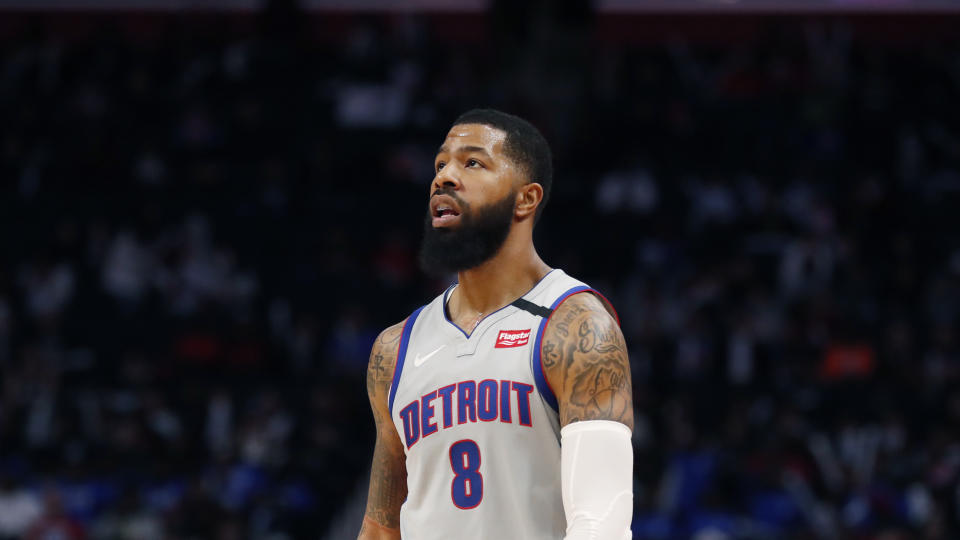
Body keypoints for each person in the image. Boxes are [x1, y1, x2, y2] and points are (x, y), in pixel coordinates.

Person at [359, 109, 634, 540]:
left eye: (472, 163)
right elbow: (380, 528)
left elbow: (601, 523)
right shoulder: (395, 349)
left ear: (526, 199)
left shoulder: (576, 326)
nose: (444, 177)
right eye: (440, 164)